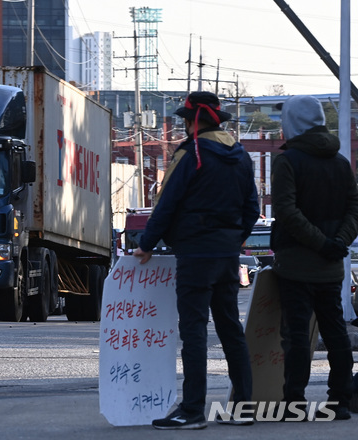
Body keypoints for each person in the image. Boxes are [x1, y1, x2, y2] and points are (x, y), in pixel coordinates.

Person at [133, 91, 260, 429]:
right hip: (227, 255)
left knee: (194, 332)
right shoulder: (241, 156)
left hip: (195, 254)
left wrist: (146, 244)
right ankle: (243, 408)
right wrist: (234, 238)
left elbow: (166, 204)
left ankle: (192, 411)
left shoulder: (192, 154)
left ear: (192, 121)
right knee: (231, 330)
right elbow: (253, 210)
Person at [271, 95, 358, 421]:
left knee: (295, 336)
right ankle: (340, 401)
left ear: (293, 122)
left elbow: (286, 211)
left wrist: (320, 243)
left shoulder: (288, 161)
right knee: (335, 332)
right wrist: (338, 242)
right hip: (332, 266)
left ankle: (294, 402)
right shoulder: (339, 162)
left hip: (295, 264)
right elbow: (354, 207)